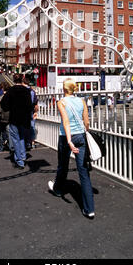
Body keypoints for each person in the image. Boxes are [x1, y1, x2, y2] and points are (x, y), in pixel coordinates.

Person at [48, 78, 95, 219]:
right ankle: (89, 209)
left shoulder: (61, 102)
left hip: (66, 137)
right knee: (84, 172)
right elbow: (86, 121)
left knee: (63, 165)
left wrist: (69, 140)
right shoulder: (81, 101)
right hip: (81, 136)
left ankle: (58, 189)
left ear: (64, 89)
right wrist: (84, 131)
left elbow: (66, 121)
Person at [1, 73, 33, 169]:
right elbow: (30, 105)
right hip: (24, 118)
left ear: (14, 80)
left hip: (14, 117)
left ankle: (19, 160)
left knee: (15, 139)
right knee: (22, 137)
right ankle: (23, 156)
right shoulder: (27, 91)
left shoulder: (11, 91)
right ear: (22, 79)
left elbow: (4, 105)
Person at [23, 75, 39, 149]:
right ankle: (31, 142)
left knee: (23, 127)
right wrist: (36, 112)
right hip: (31, 111)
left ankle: (25, 142)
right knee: (32, 126)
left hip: (24, 112)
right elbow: (35, 103)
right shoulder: (32, 91)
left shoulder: (22, 90)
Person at [0, 82, 11, 152]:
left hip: (3, 118)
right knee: (10, 134)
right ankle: (11, 147)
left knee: (1, 134)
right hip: (11, 118)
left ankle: (0, 148)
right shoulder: (12, 96)